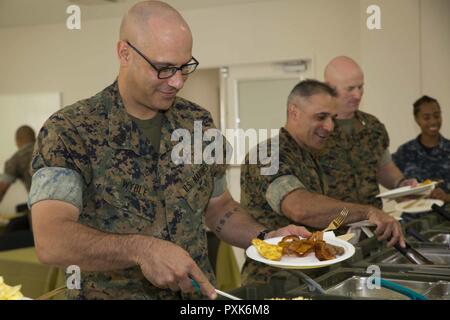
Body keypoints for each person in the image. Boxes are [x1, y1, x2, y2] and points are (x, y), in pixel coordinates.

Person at [28, 1, 309, 300]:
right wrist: (141, 250)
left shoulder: (197, 123)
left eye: (184, 67)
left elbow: (219, 208)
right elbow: (51, 240)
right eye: (163, 69)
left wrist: (265, 238)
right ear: (124, 53)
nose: (176, 82)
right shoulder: (71, 130)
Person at [240, 80, 405, 285]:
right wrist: (368, 212)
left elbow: (327, 214)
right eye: (321, 117)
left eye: (332, 118)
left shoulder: (311, 155)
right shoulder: (267, 154)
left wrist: (356, 221)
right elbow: (300, 208)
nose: (329, 126)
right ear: (294, 112)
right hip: (273, 280)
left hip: (312, 277)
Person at [320, 56, 417, 209]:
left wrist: (402, 184)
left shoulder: (372, 126)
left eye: (361, 87)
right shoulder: (316, 129)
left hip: (374, 225)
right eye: (350, 89)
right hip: (334, 226)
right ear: (328, 87)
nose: (358, 95)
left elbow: (384, 168)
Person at [393, 95, 450, 203]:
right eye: (426, 118)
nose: (433, 121)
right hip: (413, 218)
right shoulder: (404, 152)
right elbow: (397, 194)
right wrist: (408, 197)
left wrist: (445, 197)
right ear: (417, 119)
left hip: (445, 216)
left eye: (436, 116)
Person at [0, 125, 35, 202]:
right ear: (34, 137)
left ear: (18, 140)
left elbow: (1, 189)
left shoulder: (16, 159)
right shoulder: (48, 149)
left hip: (39, 208)